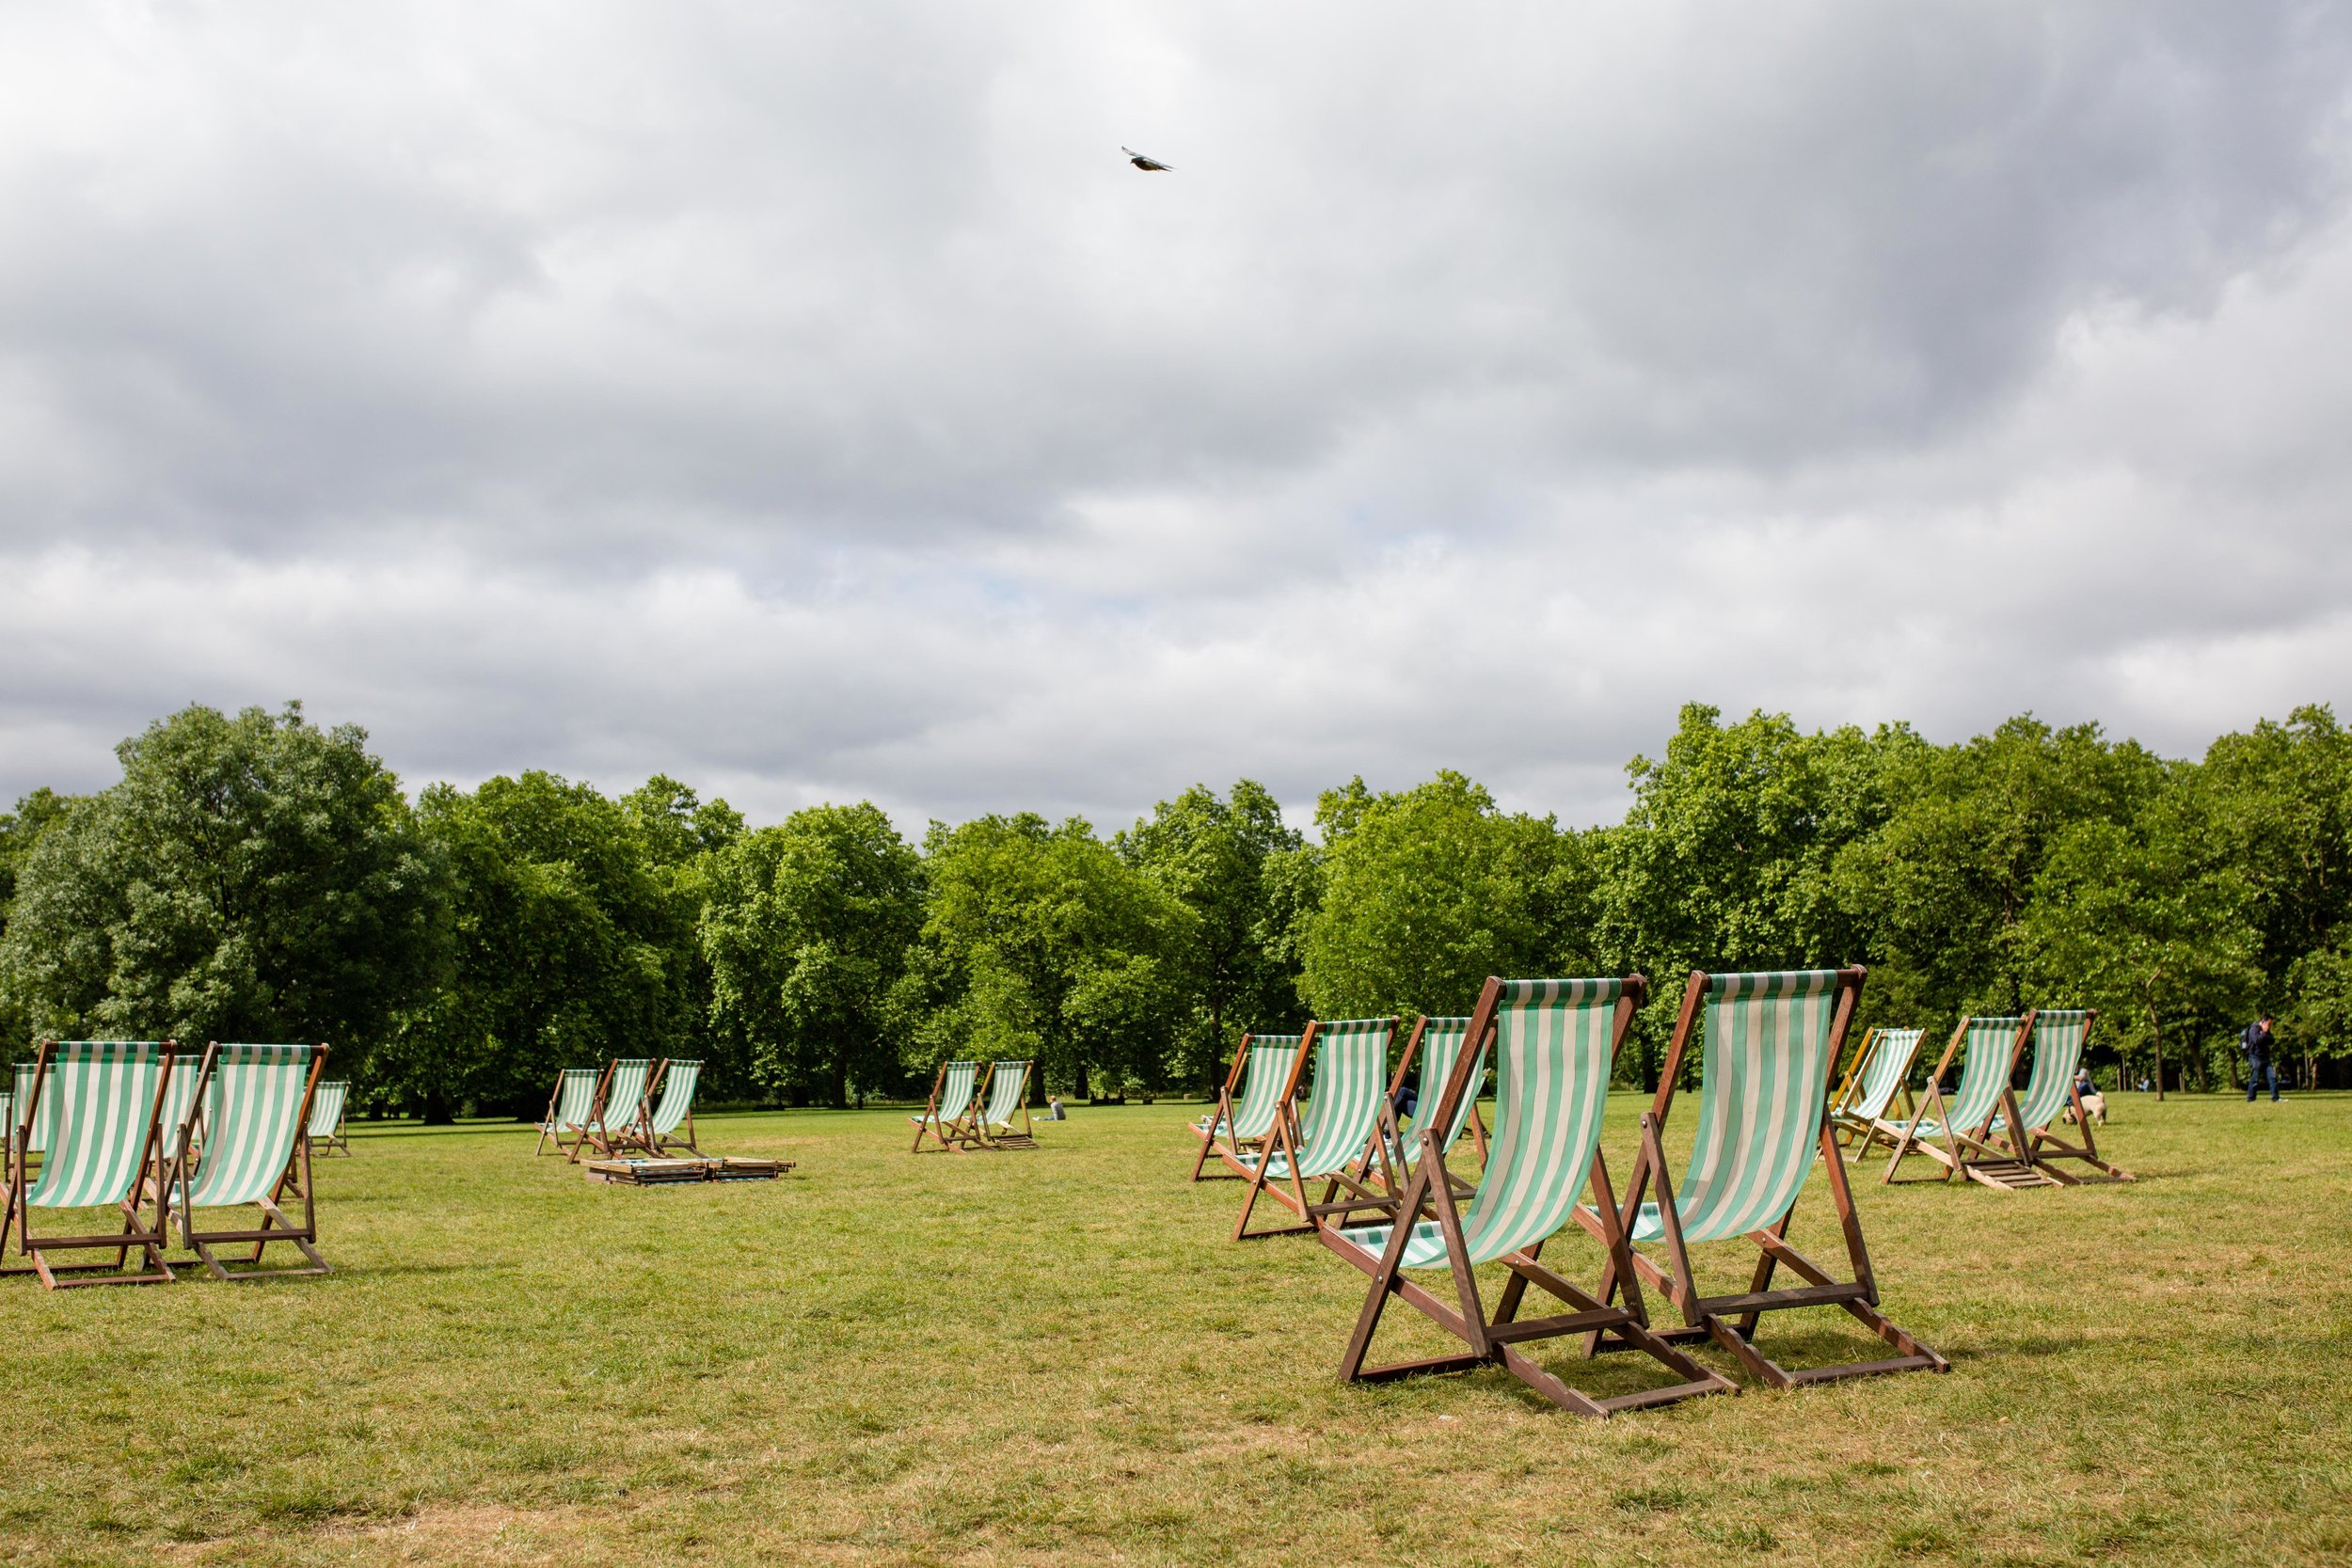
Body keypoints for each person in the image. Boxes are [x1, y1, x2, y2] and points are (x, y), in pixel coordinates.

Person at [2242, 1015, 2282, 1102]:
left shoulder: (2266, 1030)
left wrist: (2265, 1033)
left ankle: (2276, 1097)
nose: (2270, 1025)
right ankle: (2251, 1098)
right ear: (2263, 1021)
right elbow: (2256, 1040)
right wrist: (2264, 1034)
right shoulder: (2254, 1029)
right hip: (2255, 1056)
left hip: (2265, 1057)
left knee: (2273, 1077)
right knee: (2255, 1078)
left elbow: (2272, 1040)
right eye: (2269, 1023)